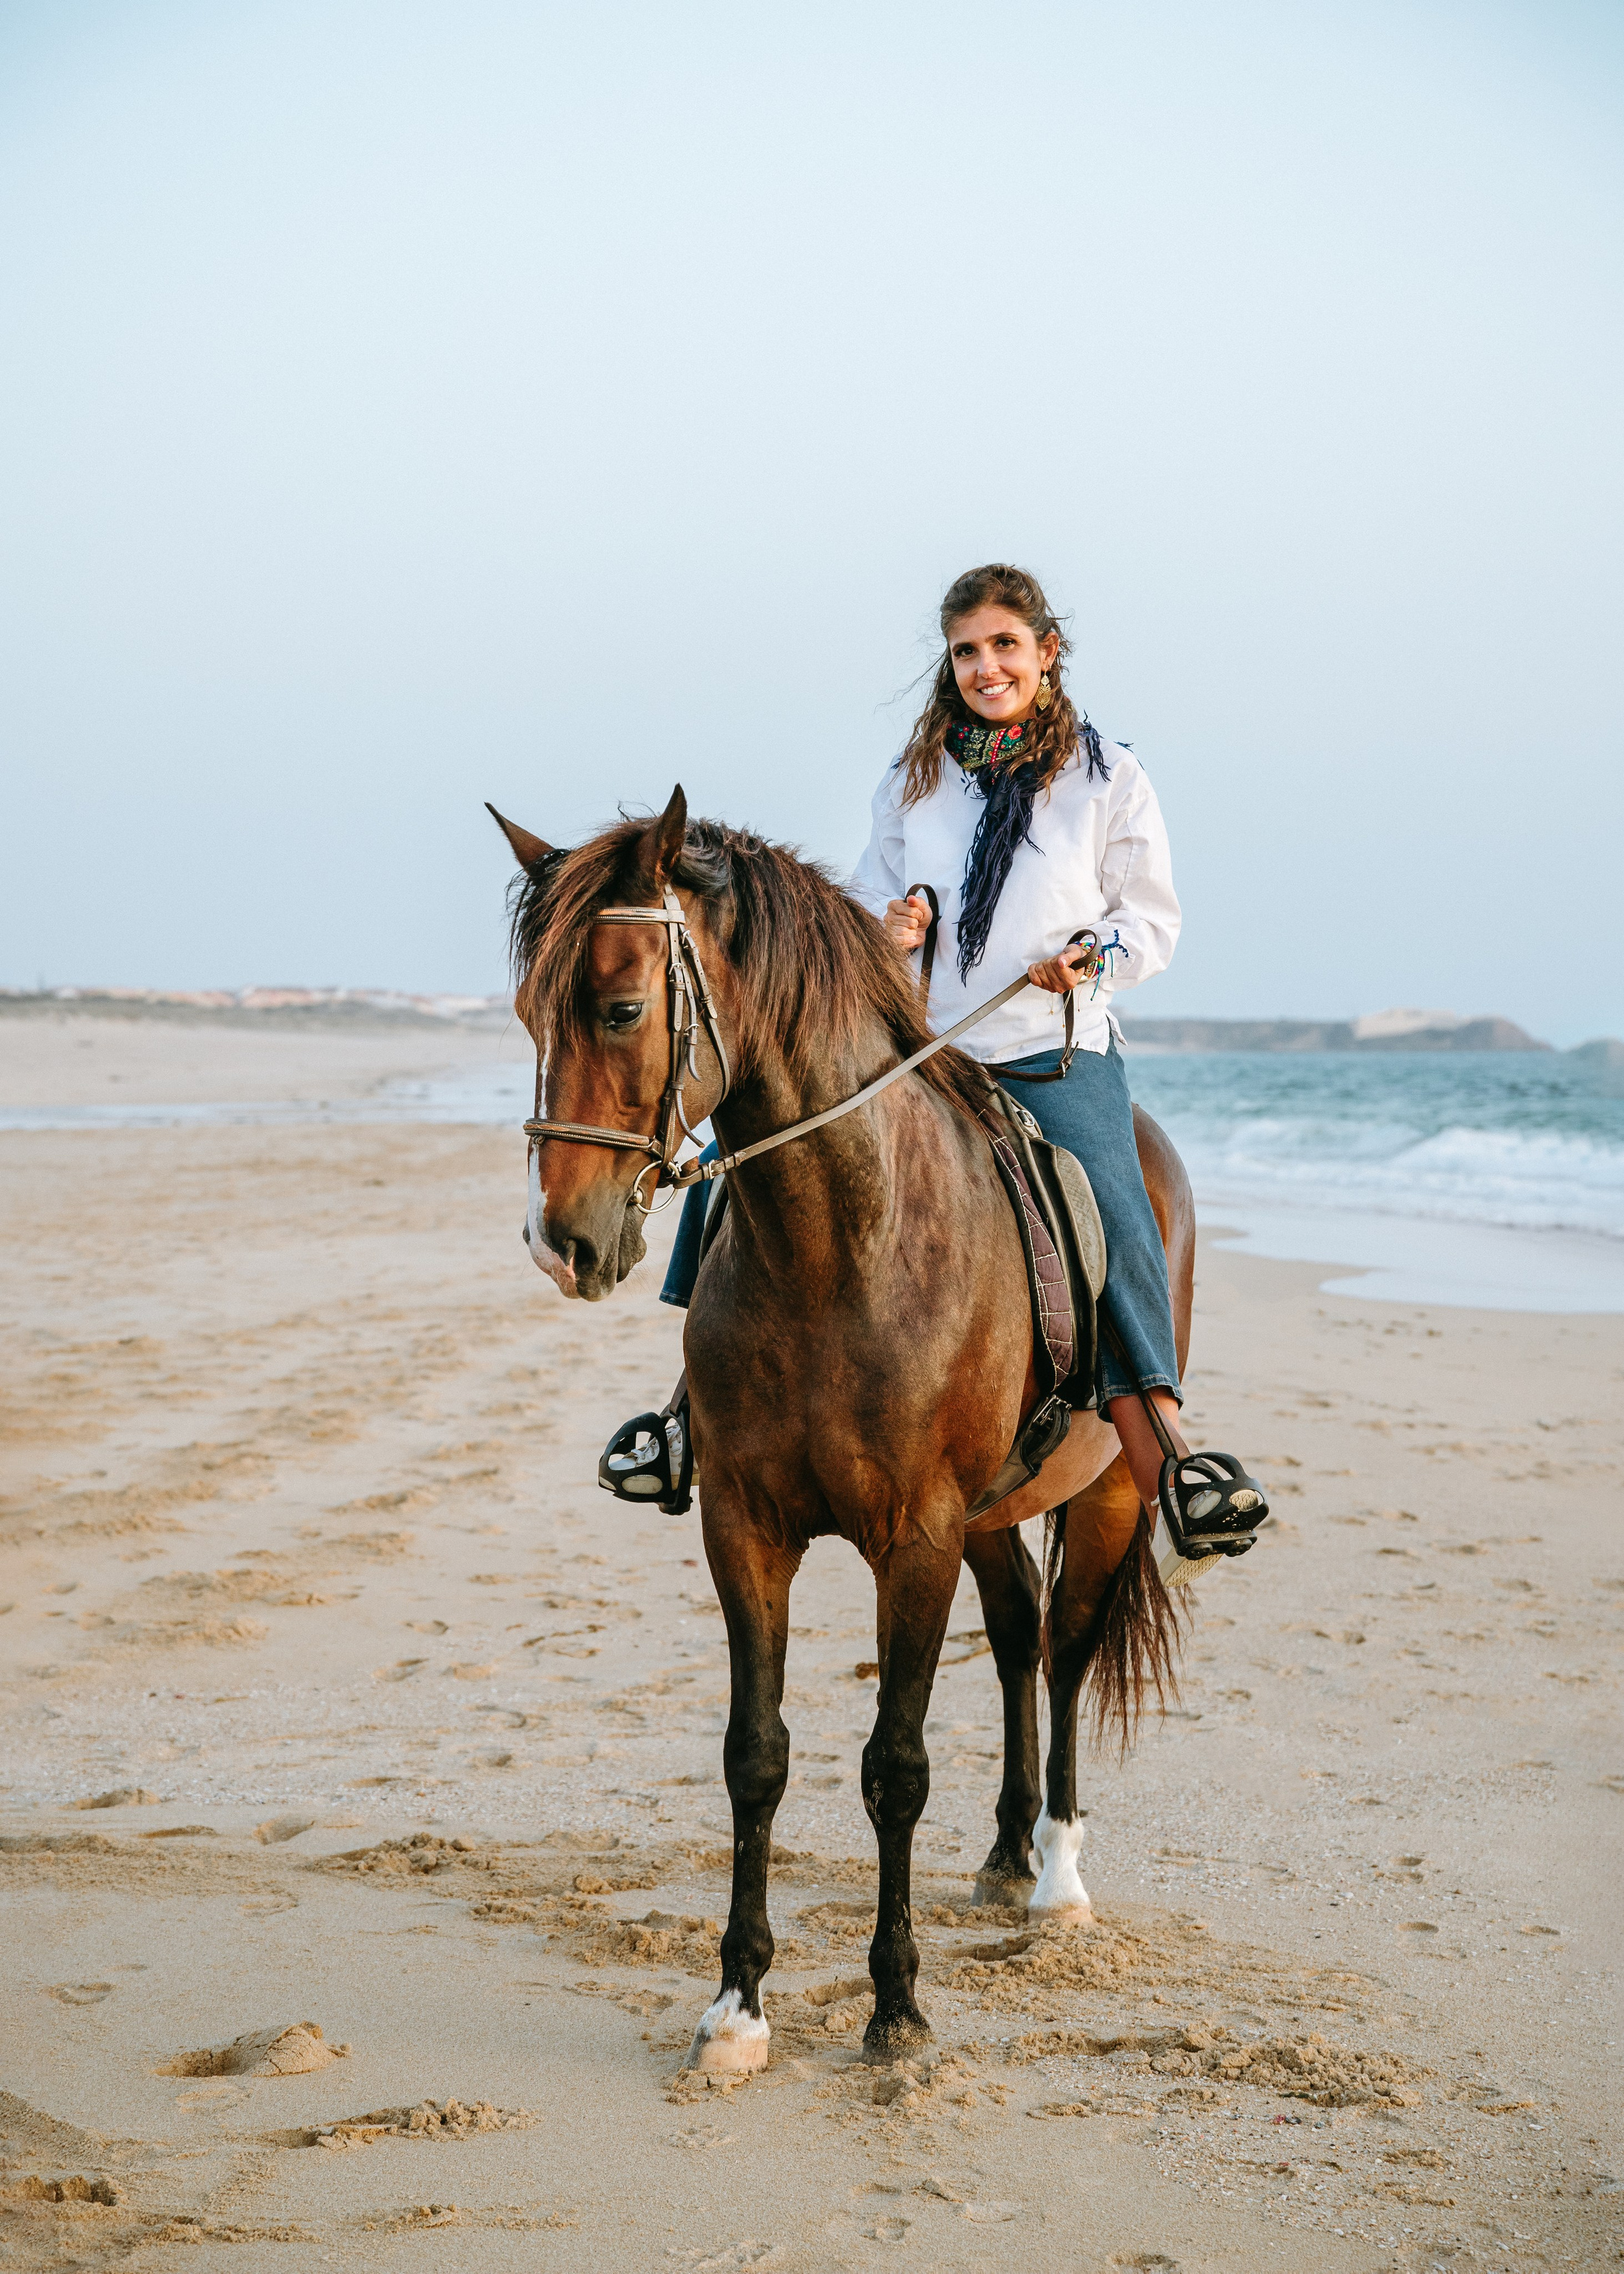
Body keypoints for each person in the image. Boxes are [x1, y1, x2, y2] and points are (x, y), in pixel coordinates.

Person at [608, 562, 1260, 1544]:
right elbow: (866, 897)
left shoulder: (1109, 779)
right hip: (921, 1051)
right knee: (756, 1153)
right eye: (966, 652)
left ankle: (1169, 1461)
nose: (986, 667)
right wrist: (893, 925)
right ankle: (687, 1415)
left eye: (1005, 646)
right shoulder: (914, 781)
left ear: (1047, 652)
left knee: (1119, 1208)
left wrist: (1090, 956)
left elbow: (1151, 921)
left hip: (1050, 1051)